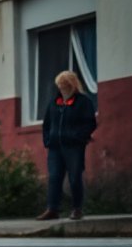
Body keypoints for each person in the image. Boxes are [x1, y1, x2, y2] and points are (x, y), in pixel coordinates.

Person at [37, 71, 96, 221]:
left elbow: (90, 123)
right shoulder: (53, 102)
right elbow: (46, 124)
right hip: (55, 147)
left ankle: (77, 209)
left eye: (64, 85)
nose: (61, 88)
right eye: (59, 86)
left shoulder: (83, 102)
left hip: (74, 147)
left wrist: (78, 137)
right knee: (54, 177)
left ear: (72, 85)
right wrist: (47, 140)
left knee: (75, 177)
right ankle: (52, 209)